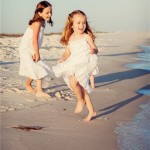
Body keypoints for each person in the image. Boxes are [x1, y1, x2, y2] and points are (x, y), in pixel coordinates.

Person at [52, 10, 99, 121]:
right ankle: (91, 111)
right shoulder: (70, 38)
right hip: (74, 63)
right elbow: (68, 52)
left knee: (73, 82)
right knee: (82, 88)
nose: (82, 25)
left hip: (85, 63)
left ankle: (80, 100)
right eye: (78, 23)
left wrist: (93, 50)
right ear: (71, 25)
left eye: (84, 23)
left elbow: (95, 49)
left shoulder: (86, 37)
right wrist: (63, 58)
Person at [19, 1, 53, 98]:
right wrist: (36, 53)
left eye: (50, 12)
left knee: (35, 68)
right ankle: (39, 91)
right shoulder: (37, 23)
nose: (50, 14)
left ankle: (28, 84)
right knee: (38, 68)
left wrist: (36, 51)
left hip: (32, 48)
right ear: (39, 13)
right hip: (26, 49)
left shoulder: (42, 23)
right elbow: (34, 40)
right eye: (47, 13)